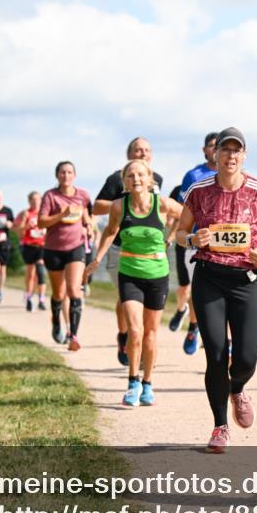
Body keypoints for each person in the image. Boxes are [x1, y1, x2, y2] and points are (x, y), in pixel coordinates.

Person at [175, 127, 257, 453]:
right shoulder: (199, 190)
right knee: (217, 354)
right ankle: (220, 426)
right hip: (209, 278)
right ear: (215, 154)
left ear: (244, 155)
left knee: (247, 358)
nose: (230, 156)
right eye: (225, 149)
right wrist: (192, 239)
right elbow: (180, 232)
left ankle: (238, 388)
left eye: (236, 150)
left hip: (247, 280)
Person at [86, 158, 184, 407]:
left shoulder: (163, 204)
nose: (136, 179)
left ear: (150, 179)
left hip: (157, 275)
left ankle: (148, 383)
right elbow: (110, 231)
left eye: (141, 175)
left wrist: (173, 236)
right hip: (129, 273)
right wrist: (97, 259)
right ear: (125, 182)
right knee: (136, 331)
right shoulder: (119, 206)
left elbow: (188, 216)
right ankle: (133, 383)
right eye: (130, 176)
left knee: (150, 333)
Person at [94, 137, 164, 366]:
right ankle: (124, 335)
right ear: (129, 155)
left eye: (146, 150)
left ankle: (141, 348)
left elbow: (166, 210)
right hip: (120, 248)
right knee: (127, 298)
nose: (142, 153)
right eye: (138, 150)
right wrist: (127, 201)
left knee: (144, 306)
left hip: (149, 253)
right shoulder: (117, 178)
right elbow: (97, 207)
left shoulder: (157, 179)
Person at [172, 132, 218, 354]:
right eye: (212, 145)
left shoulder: (235, 175)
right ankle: (193, 326)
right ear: (204, 150)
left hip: (225, 246)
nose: (216, 149)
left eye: (221, 145)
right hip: (197, 242)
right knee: (194, 289)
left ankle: (224, 344)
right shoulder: (194, 175)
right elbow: (182, 210)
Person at [39, 161, 92, 350]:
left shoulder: (83, 195)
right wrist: (61, 215)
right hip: (53, 249)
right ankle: (56, 321)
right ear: (57, 175)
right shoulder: (50, 196)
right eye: (62, 172)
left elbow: (87, 213)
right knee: (59, 294)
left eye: (69, 172)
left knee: (74, 290)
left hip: (76, 247)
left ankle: (73, 336)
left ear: (74, 175)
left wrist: (89, 226)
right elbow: (41, 222)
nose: (66, 175)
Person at [13, 191, 48, 312]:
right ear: (29, 201)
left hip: (42, 246)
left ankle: (41, 299)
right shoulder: (25, 213)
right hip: (29, 246)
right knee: (31, 273)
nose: (35, 202)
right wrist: (26, 226)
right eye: (33, 199)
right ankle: (29, 296)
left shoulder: (45, 213)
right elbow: (18, 231)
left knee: (40, 271)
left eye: (38, 199)